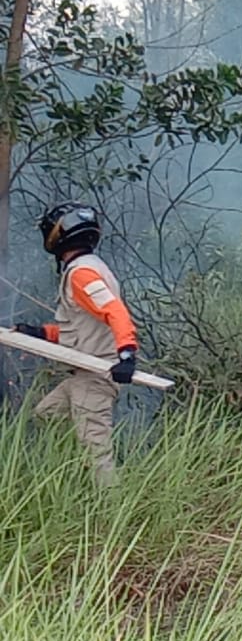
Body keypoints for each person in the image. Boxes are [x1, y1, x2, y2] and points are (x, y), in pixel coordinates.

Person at [11, 202, 139, 487]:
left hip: (94, 374)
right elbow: (79, 329)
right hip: (82, 371)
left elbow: (116, 312)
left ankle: (112, 511)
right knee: (46, 415)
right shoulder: (88, 268)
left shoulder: (82, 273)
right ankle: (72, 480)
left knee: (97, 451)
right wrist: (40, 333)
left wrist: (127, 354)